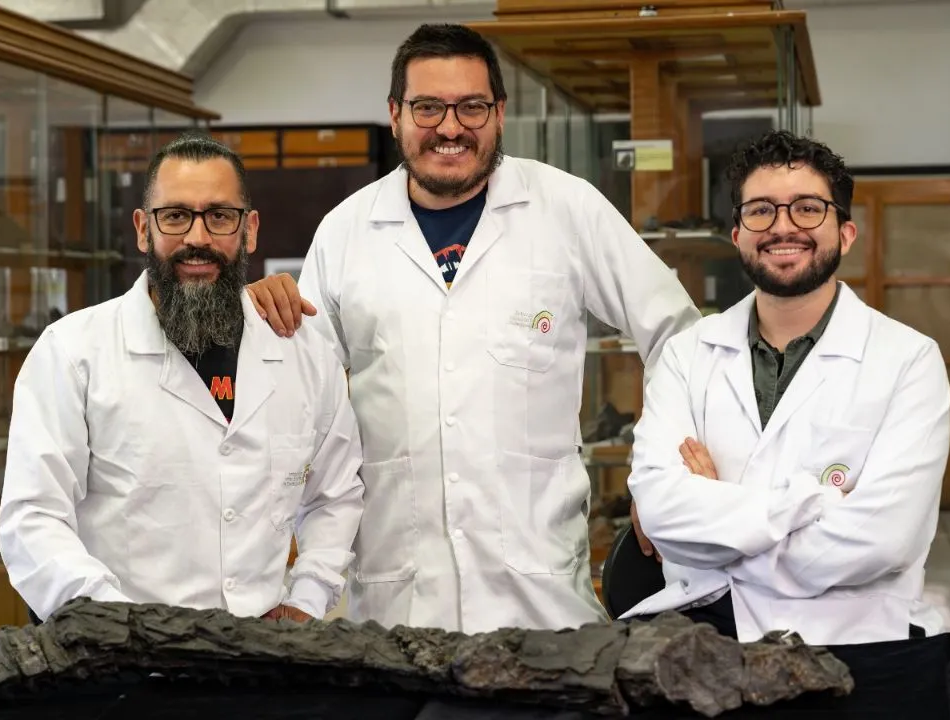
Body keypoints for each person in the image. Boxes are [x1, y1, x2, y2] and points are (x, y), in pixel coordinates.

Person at [246, 23, 702, 634]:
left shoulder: (567, 209)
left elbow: (679, 336)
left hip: (540, 595)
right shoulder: (346, 232)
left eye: (472, 107)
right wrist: (253, 322)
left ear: (500, 113)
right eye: (428, 106)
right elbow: (305, 408)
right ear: (395, 114)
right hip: (396, 595)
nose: (451, 127)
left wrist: (661, 479)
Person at [0, 131, 365, 624]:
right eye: (175, 216)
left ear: (249, 229)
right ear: (143, 229)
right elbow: (33, 518)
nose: (197, 238)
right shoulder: (72, 353)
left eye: (219, 216)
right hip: (123, 659)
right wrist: (115, 625)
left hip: (264, 656)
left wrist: (306, 600)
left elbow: (335, 495)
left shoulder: (304, 354)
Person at [624, 130, 950, 648]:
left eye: (806, 209)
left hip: (855, 637)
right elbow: (663, 515)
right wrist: (808, 502)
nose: (782, 227)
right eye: (760, 211)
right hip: (702, 628)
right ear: (736, 235)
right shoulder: (688, 355)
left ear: (845, 232)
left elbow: (883, 539)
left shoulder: (908, 359)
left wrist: (718, 518)